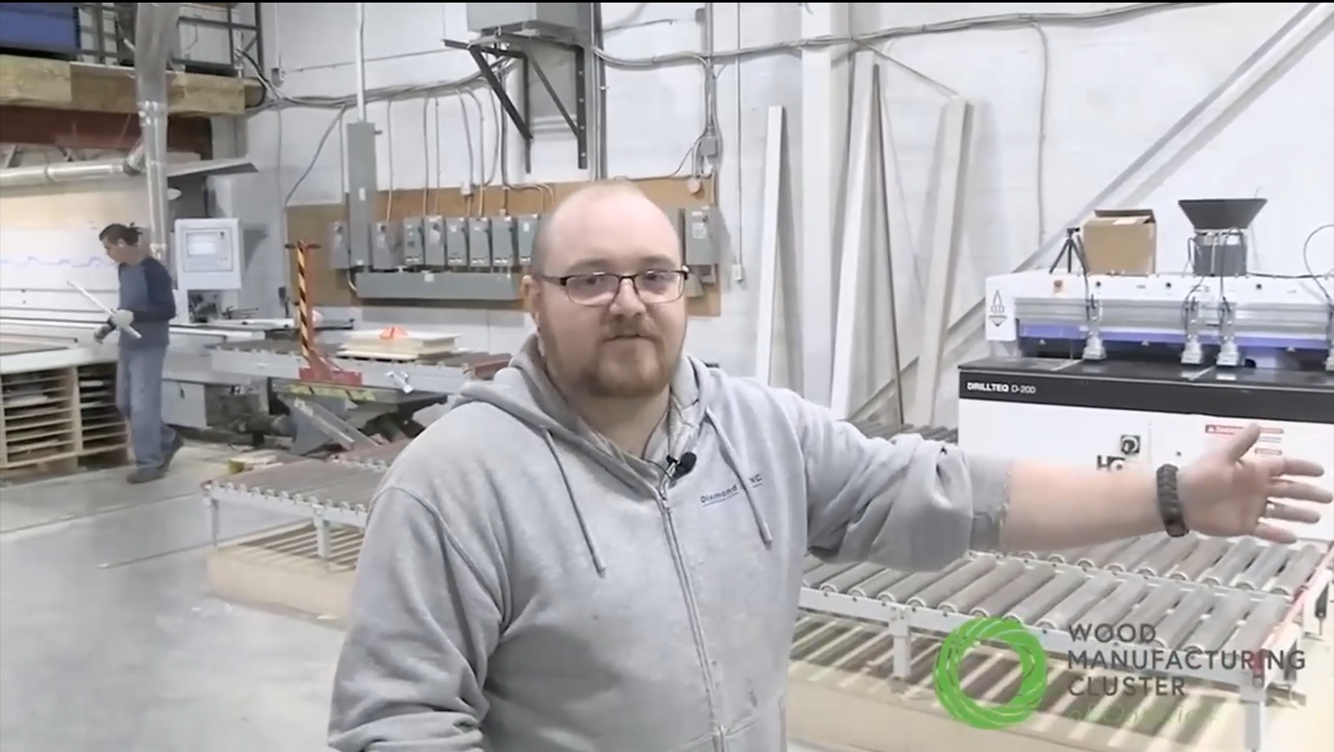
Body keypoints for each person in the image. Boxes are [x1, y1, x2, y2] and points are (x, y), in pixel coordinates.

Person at [327, 183, 1330, 752]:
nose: (625, 300)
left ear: (687, 290)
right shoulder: (455, 480)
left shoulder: (757, 430)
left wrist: (1168, 493)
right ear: (532, 298)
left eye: (653, 273)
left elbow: (955, 494)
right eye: (588, 279)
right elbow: (397, 726)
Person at [96, 222, 183, 483]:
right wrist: (108, 327)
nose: (107, 254)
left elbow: (167, 310)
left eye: (108, 248)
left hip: (150, 345)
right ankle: (167, 438)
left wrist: (135, 315)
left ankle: (150, 462)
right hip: (128, 344)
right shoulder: (124, 269)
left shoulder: (154, 271)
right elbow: (125, 310)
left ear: (122, 244)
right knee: (124, 402)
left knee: (143, 406)